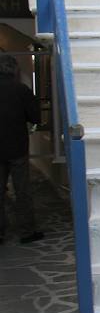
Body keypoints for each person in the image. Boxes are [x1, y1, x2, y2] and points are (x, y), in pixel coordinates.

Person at [0, 54, 42, 245]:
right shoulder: (21, 90)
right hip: (16, 147)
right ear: (13, 69)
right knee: (22, 190)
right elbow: (35, 117)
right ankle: (27, 231)